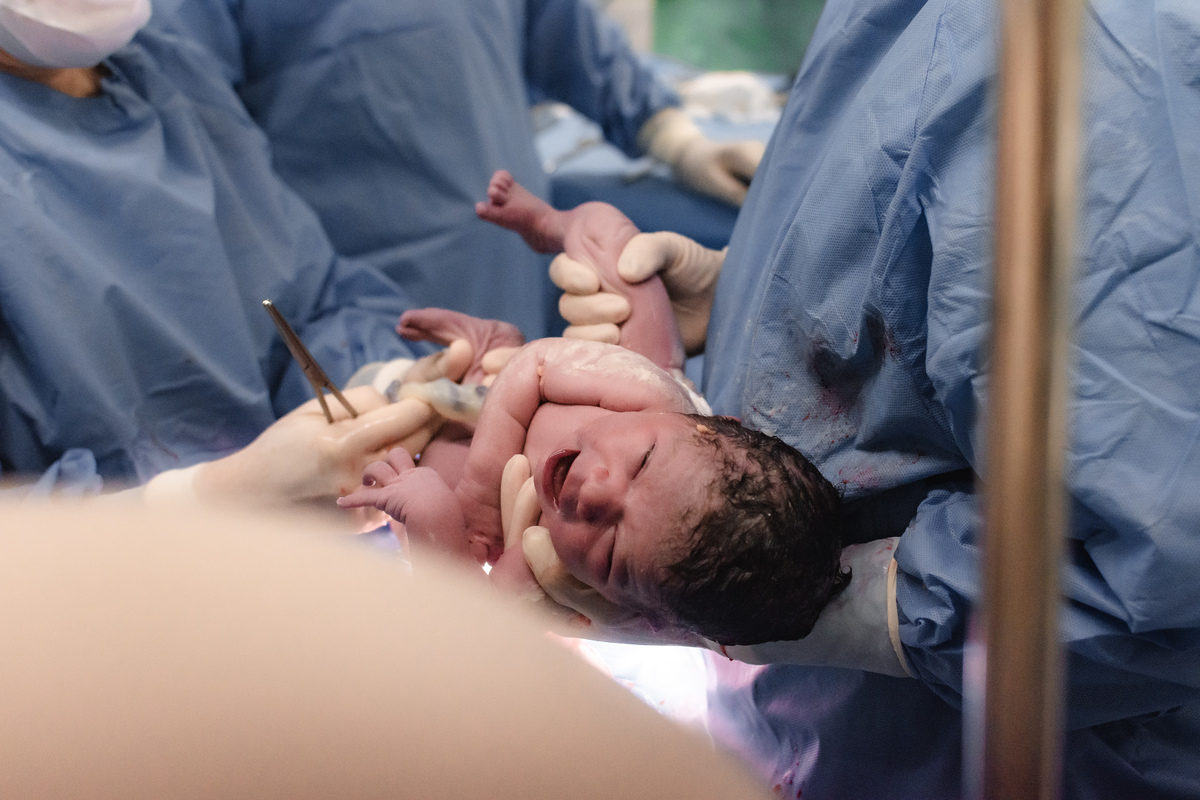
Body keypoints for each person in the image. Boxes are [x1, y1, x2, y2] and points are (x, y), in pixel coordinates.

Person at [539, 0, 1200, 796]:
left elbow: (1163, 580)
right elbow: (914, 226)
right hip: (808, 739)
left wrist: (837, 610)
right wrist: (761, 304)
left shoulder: (1090, 60)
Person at [338, 174, 848, 648]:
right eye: (643, 461)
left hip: (480, 437)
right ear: (710, 424)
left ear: (637, 613)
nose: (597, 491)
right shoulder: (654, 399)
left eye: (609, 558)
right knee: (617, 252)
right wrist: (480, 489)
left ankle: (477, 357)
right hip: (580, 376)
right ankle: (549, 224)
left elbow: (472, 620)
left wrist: (435, 514)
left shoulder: (552, 568)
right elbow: (536, 367)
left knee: (417, 462)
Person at [0, 0, 464, 510]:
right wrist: (212, 497)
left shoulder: (161, 69)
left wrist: (384, 389)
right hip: (106, 585)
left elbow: (306, 301)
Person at [157, 0, 766, 340]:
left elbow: (557, 27)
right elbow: (198, 152)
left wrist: (672, 136)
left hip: (508, 271)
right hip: (366, 311)